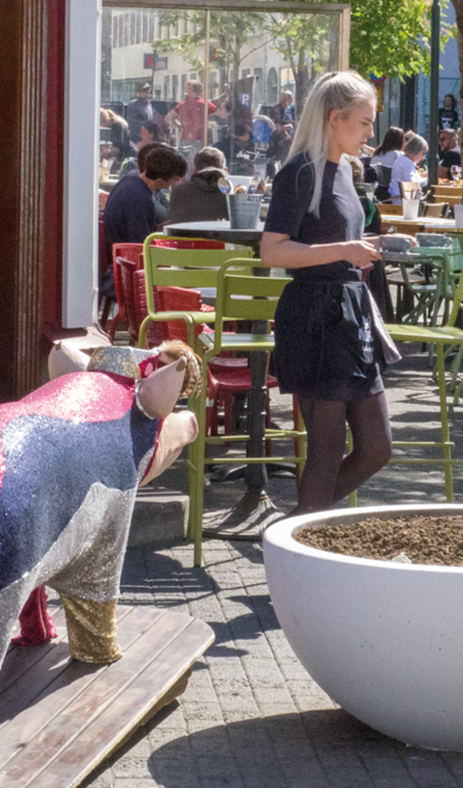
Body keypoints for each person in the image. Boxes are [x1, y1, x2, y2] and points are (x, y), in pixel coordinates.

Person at [259, 71, 403, 517]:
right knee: (324, 449)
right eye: (364, 122)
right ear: (336, 118)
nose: (370, 134)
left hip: (348, 313)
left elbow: (336, 242)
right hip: (316, 316)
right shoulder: (299, 172)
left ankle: (296, 530)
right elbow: (272, 251)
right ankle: (302, 550)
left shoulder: (342, 170)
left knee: (376, 447)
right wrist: (346, 249)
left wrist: (373, 248)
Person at [100, 144, 188, 317]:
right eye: (174, 181)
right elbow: (140, 248)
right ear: (160, 181)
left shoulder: (128, 181)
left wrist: (157, 229)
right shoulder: (141, 200)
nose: (174, 185)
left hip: (118, 264)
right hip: (124, 274)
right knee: (186, 277)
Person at [165, 147, 233, 225]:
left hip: (185, 237)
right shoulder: (234, 193)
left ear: (194, 171)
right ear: (225, 170)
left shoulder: (178, 192)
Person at [164, 81, 213, 151]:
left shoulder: (182, 105)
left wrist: (178, 125)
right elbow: (221, 114)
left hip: (185, 138)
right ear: (200, 92)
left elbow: (168, 118)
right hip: (200, 139)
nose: (186, 91)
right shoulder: (204, 104)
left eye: (188, 89)